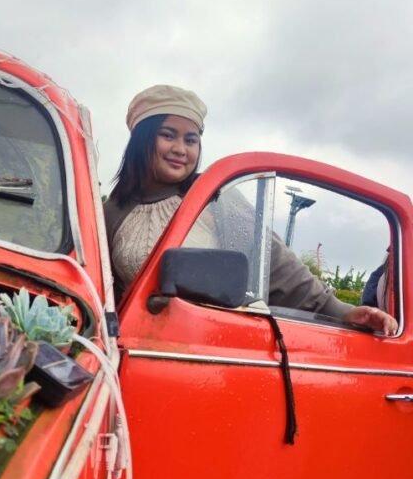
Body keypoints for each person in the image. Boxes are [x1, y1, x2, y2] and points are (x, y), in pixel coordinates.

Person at [103, 85, 397, 336]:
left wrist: (341, 311)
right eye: (168, 135)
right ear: (142, 140)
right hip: (137, 351)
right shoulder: (110, 212)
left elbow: (273, 261)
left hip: (215, 346)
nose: (181, 148)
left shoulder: (213, 196)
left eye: (191, 139)